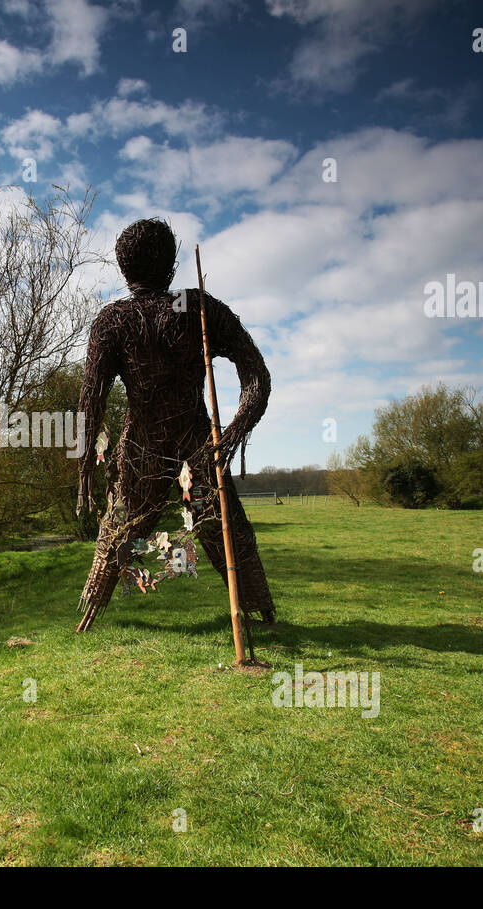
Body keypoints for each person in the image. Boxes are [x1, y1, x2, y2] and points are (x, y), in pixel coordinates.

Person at [75, 218, 275, 631]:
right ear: (169, 263)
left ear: (124, 267)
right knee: (217, 526)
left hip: (155, 446)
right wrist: (235, 431)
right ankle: (261, 612)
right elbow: (256, 376)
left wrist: (85, 469)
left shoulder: (117, 320)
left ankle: (260, 612)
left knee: (208, 527)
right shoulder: (193, 306)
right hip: (192, 444)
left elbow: (89, 406)